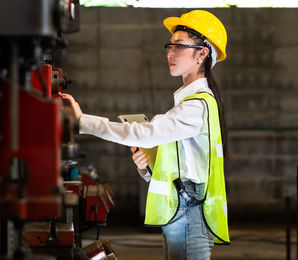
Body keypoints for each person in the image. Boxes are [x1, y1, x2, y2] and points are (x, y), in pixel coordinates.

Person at [61, 10, 230, 260]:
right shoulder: (189, 103)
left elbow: (145, 133)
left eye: (179, 46)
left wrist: (82, 121)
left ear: (202, 54)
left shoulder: (197, 106)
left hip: (189, 215)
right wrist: (148, 167)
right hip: (182, 210)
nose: (170, 53)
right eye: (169, 46)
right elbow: (184, 164)